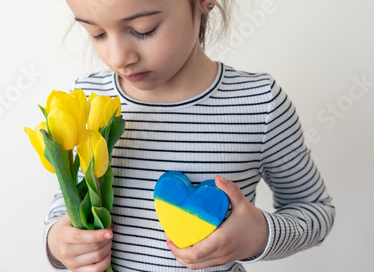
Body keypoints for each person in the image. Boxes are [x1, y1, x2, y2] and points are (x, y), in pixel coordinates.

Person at [44, 0, 336, 271]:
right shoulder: (89, 99)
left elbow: (316, 211)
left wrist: (259, 235)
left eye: (143, 30)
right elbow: (68, 196)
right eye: (96, 34)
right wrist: (59, 241)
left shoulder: (260, 103)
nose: (119, 57)